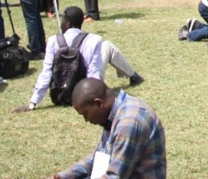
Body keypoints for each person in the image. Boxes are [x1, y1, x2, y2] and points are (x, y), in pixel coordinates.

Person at [13, 6, 143, 113]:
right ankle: (133, 75)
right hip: (83, 92)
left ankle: (131, 75)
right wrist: (95, 99)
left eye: (62, 20)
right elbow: (94, 73)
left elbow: (46, 72)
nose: (60, 23)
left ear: (68, 23)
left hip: (60, 94)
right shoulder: (94, 39)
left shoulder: (53, 40)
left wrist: (32, 103)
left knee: (105, 47)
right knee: (107, 46)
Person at [47, 78, 166, 179]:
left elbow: (114, 176)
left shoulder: (128, 122)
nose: (86, 120)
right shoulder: (113, 112)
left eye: (85, 114)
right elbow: (98, 157)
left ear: (98, 104)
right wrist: (64, 176)